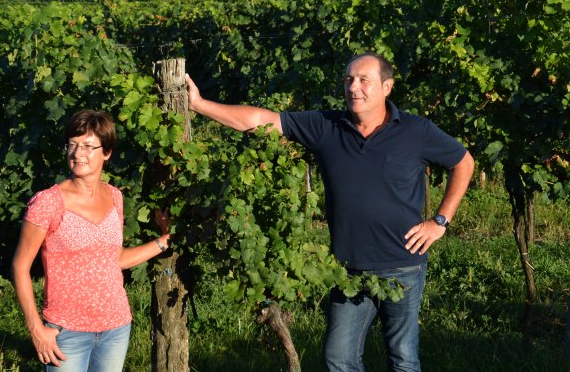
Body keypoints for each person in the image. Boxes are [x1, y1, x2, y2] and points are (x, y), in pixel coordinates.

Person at [185, 52, 475, 371]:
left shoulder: (415, 131)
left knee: (403, 358)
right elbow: (258, 121)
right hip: (348, 268)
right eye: (349, 79)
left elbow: (463, 162)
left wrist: (439, 221)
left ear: (387, 86)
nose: (354, 87)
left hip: (402, 265)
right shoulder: (326, 127)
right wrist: (199, 105)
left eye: (364, 80)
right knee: (338, 358)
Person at [12, 109, 172, 371]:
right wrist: (36, 329)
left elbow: (115, 259)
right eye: (72, 145)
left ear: (106, 152)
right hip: (66, 332)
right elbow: (20, 266)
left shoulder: (115, 197)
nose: (77, 154)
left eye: (88, 146)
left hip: (115, 327)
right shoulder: (48, 203)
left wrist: (163, 241)